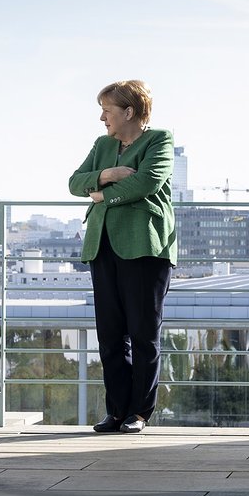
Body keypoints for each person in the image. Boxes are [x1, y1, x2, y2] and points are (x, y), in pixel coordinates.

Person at [69, 80, 177, 433]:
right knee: (110, 334)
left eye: (108, 111)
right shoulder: (103, 145)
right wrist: (107, 175)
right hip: (102, 246)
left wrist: (101, 195)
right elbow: (74, 182)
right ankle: (116, 411)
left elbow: (146, 183)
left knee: (144, 333)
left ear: (129, 111)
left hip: (144, 247)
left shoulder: (159, 140)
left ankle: (139, 412)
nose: (102, 118)